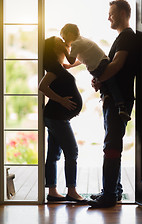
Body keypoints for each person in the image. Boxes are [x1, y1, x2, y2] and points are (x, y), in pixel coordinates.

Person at [87, 0, 138, 208]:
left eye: (112, 13)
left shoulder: (127, 37)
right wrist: (100, 80)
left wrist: (100, 79)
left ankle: (108, 195)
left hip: (120, 102)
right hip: (114, 101)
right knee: (112, 145)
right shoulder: (121, 38)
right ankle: (114, 190)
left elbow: (116, 65)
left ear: (124, 13)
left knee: (111, 146)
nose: (108, 17)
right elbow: (111, 70)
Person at [38, 36, 85, 203]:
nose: (63, 42)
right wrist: (62, 100)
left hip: (56, 117)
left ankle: (52, 191)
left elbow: (74, 62)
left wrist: (82, 55)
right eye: (60, 41)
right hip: (57, 117)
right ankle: (71, 191)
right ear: (53, 48)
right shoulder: (53, 68)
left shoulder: (59, 66)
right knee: (72, 152)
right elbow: (42, 87)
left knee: (53, 154)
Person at [60, 23, 131, 122]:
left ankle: (118, 104)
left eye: (64, 38)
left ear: (70, 34)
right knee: (111, 83)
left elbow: (71, 59)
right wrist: (69, 66)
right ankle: (118, 104)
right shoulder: (83, 40)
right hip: (105, 61)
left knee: (106, 81)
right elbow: (82, 59)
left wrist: (64, 49)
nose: (64, 41)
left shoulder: (75, 44)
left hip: (96, 68)